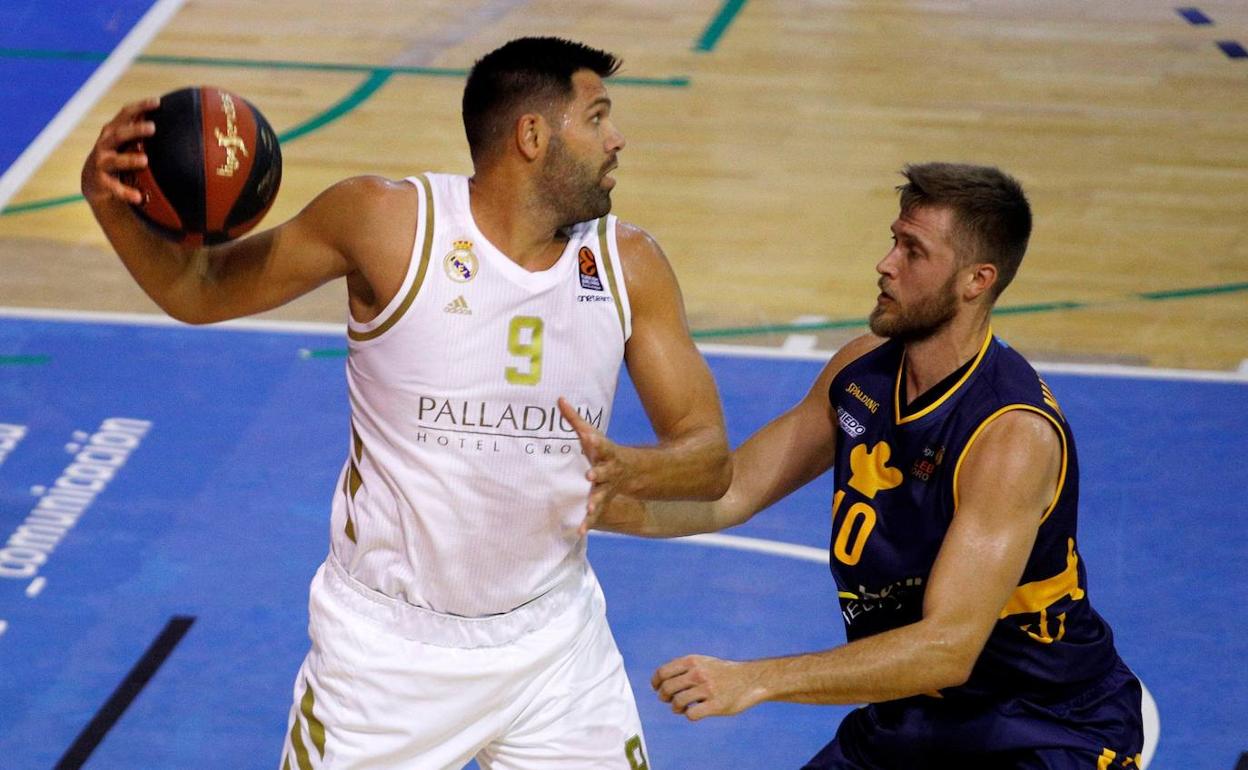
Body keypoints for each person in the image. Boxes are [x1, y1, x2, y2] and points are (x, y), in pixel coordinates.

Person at [81, 37, 731, 769]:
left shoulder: (628, 264)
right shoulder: (383, 223)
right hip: (387, 657)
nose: (617, 139)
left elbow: (710, 459)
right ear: (531, 135)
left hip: (554, 645)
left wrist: (638, 469)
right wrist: (110, 205)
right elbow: (200, 292)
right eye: (597, 117)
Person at [585, 163, 1145, 769]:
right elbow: (734, 489)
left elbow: (947, 648)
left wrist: (756, 679)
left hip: (1039, 727)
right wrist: (588, 506)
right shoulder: (861, 370)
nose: (885, 263)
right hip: (913, 713)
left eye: (913, 251)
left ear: (976, 280)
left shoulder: (1010, 434)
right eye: (893, 240)